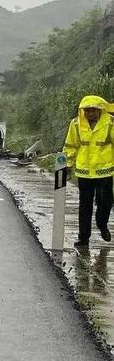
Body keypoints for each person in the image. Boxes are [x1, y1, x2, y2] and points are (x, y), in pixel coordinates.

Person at [63, 95, 114, 247]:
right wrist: (68, 164)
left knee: (105, 202)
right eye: (87, 111)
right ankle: (83, 237)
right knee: (85, 204)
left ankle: (102, 224)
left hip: (104, 170)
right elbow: (71, 145)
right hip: (84, 171)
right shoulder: (76, 124)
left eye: (94, 111)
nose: (90, 114)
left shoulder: (110, 123)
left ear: (100, 111)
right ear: (82, 111)